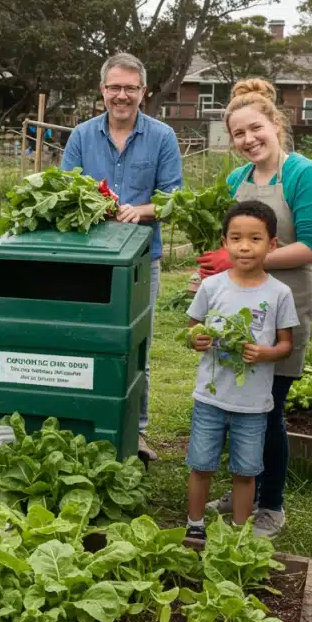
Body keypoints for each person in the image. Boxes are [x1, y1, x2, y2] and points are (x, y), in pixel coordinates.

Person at [197, 79, 312, 539]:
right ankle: (243, 494)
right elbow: (235, 240)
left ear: (275, 124)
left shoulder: (301, 173)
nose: (248, 139)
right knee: (235, 402)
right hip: (240, 310)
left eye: (256, 129)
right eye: (239, 134)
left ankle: (271, 505)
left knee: (268, 411)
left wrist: (246, 258)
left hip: (285, 305)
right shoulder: (237, 180)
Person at [61, 52, 183, 462]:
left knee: (136, 349)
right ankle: (85, 422)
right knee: (85, 340)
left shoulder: (162, 136)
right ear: (102, 91)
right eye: (114, 87)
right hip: (88, 259)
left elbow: (173, 198)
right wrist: (95, 207)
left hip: (139, 261)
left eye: (130, 88)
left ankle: (137, 431)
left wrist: (142, 210)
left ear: (143, 92)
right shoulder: (81, 136)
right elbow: (64, 192)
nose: (122, 95)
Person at [185, 200, 298, 539]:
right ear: (225, 242)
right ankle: (194, 526)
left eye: (255, 239)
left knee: (246, 471)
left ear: (272, 244)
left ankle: (239, 533)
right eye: (236, 238)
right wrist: (198, 339)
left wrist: (265, 353)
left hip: (254, 403)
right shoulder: (212, 286)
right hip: (210, 396)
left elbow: (285, 345)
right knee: (201, 464)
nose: (245, 247)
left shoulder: (279, 293)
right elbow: (192, 328)